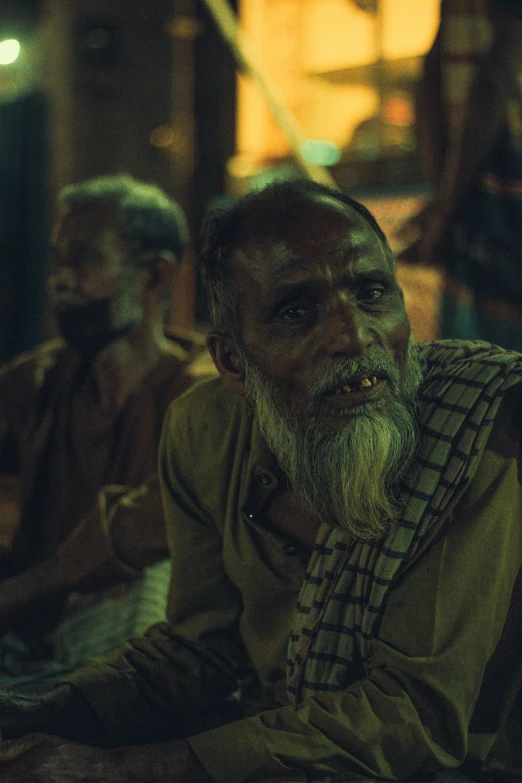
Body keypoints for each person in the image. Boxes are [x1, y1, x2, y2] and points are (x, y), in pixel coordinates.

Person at [0, 179, 520, 782]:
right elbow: (197, 653)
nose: (352, 336)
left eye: (373, 293)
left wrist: (122, 769)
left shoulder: (481, 431)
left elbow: (415, 716)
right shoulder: (204, 430)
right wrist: (35, 709)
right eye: (297, 310)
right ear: (233, 361)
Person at [0, 173, 206, 674]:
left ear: (155, 275)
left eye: (86, 258)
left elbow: (155, 527)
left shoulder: (205, 395)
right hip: (29, 639)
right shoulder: (40, 380)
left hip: (128, 646)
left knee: (152, 584)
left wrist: (16, 596)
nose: (61, 279)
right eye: (58, 260)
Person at [398, 0, 522, 349]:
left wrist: (444, 205)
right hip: (491, 193)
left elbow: (486, 84)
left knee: (481, 370)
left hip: (490, 191)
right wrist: (444, 207)